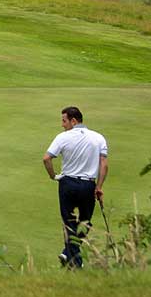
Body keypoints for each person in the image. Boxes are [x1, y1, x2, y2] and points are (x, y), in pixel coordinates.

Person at [43, 105, 108, 269]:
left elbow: (46, 159)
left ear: (73, 120)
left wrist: (53, 176)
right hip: (88, 185)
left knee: (70, 223)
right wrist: (99, 187)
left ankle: (71, 258)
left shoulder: (63, 137)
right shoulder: (98, 137)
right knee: (85, 222)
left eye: (64, 121)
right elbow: (104, 164)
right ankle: (73, 259)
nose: (62, 125)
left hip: (68, 184)